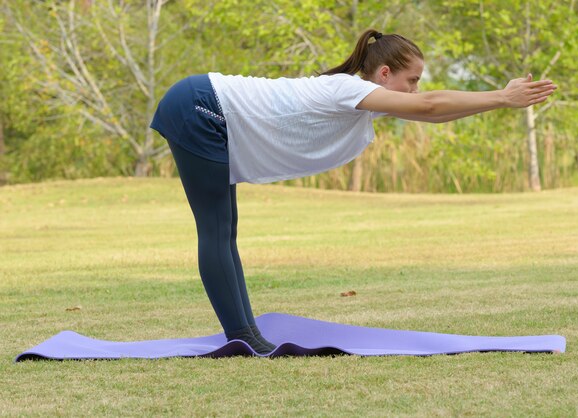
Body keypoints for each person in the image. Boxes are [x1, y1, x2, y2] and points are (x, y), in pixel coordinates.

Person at [150, 29, 557, 355]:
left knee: (226, 230)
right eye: (411, 80)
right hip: (201, 108)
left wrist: (501, 103)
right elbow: (430, 106)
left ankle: (245, 332)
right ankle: (242, 336)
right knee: (217, 229)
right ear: (383, 75)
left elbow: (437, 112)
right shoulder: (347, 90)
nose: (415, 90)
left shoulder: (362, 98)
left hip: (210, 108)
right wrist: (503, 95)